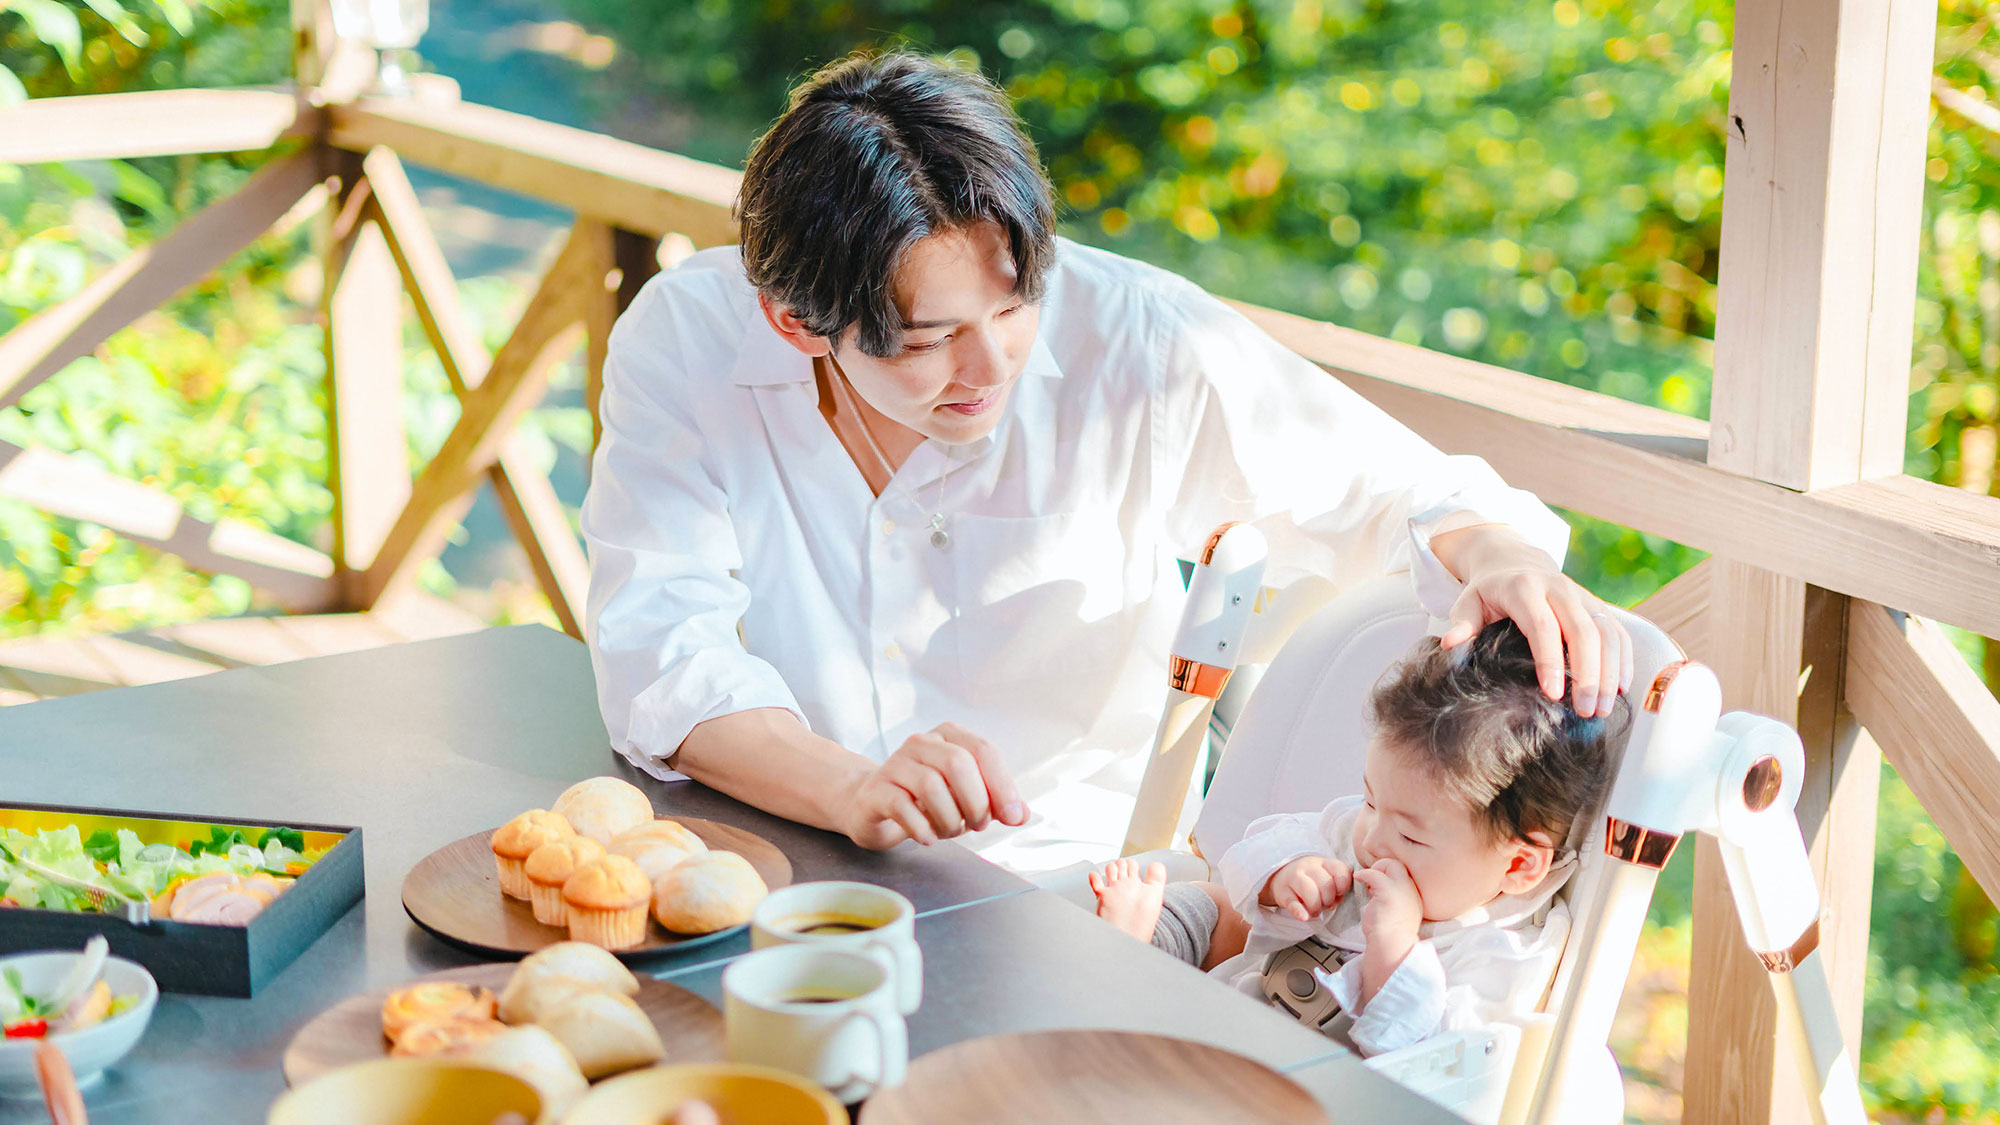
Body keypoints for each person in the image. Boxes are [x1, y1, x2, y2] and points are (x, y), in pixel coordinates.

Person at [581, 50, 1632, 874]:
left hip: (1058, 888)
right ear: (793, 322)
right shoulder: (691, 338)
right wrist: (849, 788)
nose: (989, 365)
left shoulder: (1140, 345)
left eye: (1013, 303)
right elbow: (658, 640)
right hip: (761, 837)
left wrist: (1496, 552)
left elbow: (1403, 490)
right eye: (927, 337)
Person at [1089, 621, 1625, 1055]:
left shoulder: (1504, 950)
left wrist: (1393, 952)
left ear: (1517, 866)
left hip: (1313, 1089)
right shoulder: (1362, 830)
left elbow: (1440, 1059)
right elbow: (1251, 849)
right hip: (1224, 1015)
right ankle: (1135, 946)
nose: (1370, 837)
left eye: (1412, 838)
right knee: (1212, 903)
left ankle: (1124, 980)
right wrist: (1285, 872)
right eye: (1371, 800)